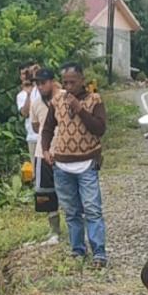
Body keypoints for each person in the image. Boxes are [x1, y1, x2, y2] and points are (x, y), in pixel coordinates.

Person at [41, 62, 108, 267]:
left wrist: (80, 110)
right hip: (62, 165)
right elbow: (47, 129)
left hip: (87, 162)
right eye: (65, 82)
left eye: (73, 82)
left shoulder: (94, 100)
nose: (69, 86)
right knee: (71, 211)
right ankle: (77, 249)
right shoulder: (56, 101)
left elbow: (99, 129)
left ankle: (99, 253)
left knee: (92, 209)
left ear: (82, 80)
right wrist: (45, 150)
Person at [29, 68, 63, 241]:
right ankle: (54, 230)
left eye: (43, 83)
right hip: (43, 153)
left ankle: (78, 228)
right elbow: (35, 126)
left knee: (70, 191)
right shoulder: (36, 103)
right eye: (38, 84)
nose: (40, 87)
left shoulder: (64, 97)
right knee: (45, 193)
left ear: (52, 82)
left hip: (65, 152)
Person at [16, 61, 41, 157]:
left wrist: (39, 74)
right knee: (36, 170)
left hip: (49, 135)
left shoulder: (43, 87)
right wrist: (29, 94)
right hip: (33, 137)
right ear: (20, 77)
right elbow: (25, 114)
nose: (26, 76)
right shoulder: (21, 95)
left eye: (28, 73)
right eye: (23, 73)